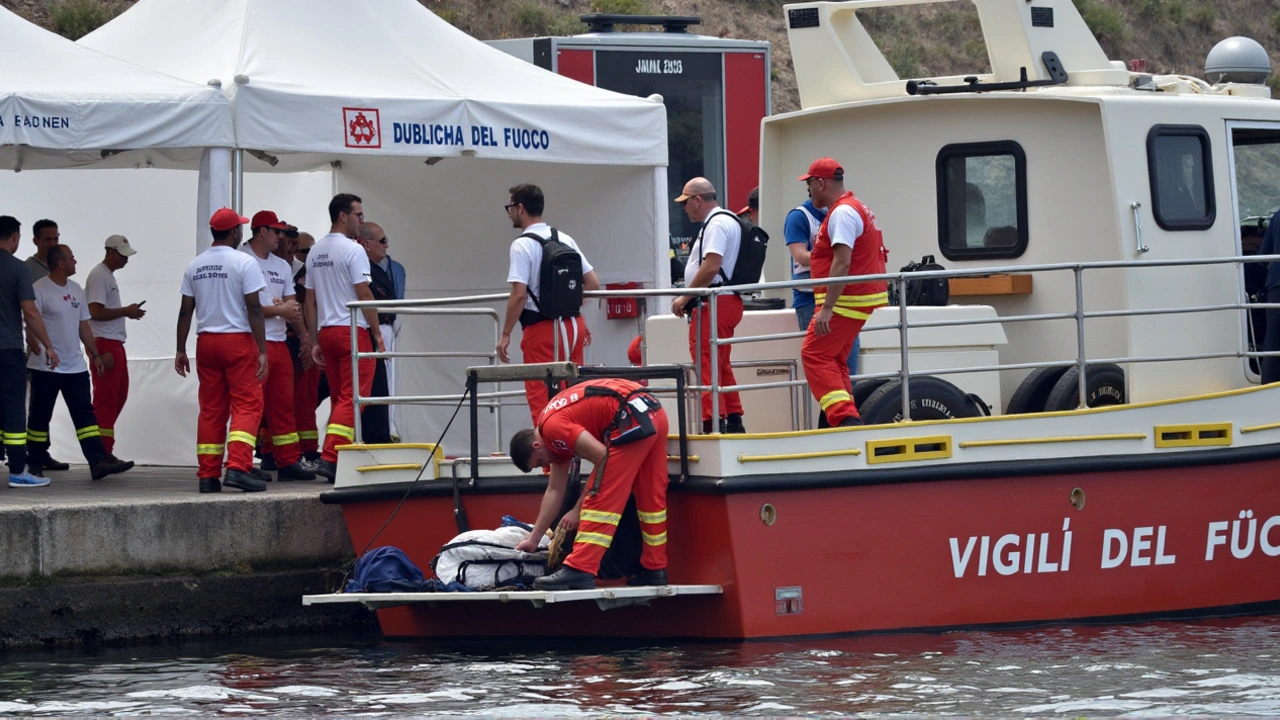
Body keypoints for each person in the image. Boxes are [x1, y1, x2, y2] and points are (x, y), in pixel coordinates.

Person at [510, 377, 669, 590]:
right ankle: (654, 569)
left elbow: (603, 458)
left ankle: (580, 568)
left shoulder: (553, 428)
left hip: (630, 420)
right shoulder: (553, 432)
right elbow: (555, 489)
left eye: (540, 462)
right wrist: (534, 538)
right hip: (652, 411)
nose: (545, 465)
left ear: (537, 445)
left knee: (601, 495)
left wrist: (577, 510)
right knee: (651, 499)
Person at [175, 208, 270, 493]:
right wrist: (263, 349)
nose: (242, 231)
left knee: (211, 409)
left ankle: (208, 474)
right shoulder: (244, 262)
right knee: (247, 404)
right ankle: (239, 467)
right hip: (237, 341)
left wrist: (180, 349)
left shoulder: (195, 265)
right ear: (234, 233)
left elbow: (185, 311)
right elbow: (254, 307)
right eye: (240, 228)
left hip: (206, 342)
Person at [24, 245, 134, 480]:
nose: (76, 262)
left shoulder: (76, 290)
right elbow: (30, 321)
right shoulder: (39, 289)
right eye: (72, 259)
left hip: (75, 366)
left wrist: (94, 355)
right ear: (61, 263)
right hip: (46, 366)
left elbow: (84, 326)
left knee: (85, 416)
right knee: (40, 416)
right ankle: (34, 461)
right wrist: (36, 347)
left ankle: (97, 461)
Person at [497, 183, 600, 425]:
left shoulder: (522, 245)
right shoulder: (564, 238)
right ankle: (573, 454)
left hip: (541, 329)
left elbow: (519, 295)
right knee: (572, 394)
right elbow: (593, 283)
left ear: (520, 208)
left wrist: (505, 334)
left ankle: (551, 461)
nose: (510, 213)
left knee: (542, 397)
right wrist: (572, 309)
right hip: (574, 325)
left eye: (510, 207)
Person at [799, 157, 889, 427]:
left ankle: (844, 419)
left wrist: (827, 307)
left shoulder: (841, 213)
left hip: (845, 301)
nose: (809, 191)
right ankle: (842, 414)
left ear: (821, 183)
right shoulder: (856, 207)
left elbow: (842, 260)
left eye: (810, 184)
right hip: (857, 299)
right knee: (835, 357)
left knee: (814, 354)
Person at [304, 193, 384, 480]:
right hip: (352, 329)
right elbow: (364, 293)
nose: (361, 221)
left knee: (340, 398)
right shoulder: (353, 250)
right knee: (355, 397)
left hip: (327, 331)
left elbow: (309, 302)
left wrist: (315, 340)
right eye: (358, 215)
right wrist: (376, 332)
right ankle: (331, 456)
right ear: (343, 216)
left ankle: (338, 454)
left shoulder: (315, 251)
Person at [244, 210, 316, 481]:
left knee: (283, 405)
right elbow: (248, 309)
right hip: (252, 342)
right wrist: (278, 310)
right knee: (251, 406)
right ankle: (243, 462)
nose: (282, 238)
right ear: (262, 231)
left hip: (279, 342)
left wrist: (305, 336)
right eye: (277, 232)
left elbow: (292, 305)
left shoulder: (282, 266)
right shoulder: (243, 259)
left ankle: (288, 461)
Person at [671, 177, 745, 434]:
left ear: (697, 200)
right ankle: (733, 420)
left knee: (705, 362)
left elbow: (711, 266)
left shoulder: (716, 224)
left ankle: (712, 423)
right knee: (720, 363)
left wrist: (685, 297)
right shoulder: (728, 220)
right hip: (725, 300)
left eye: (685, 202)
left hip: (713, 302)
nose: (684, 208)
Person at [785, 178, 860, 424]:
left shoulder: (839, 213)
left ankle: (840, 422)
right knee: (824, 364)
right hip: (810, 299)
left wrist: (840, 258)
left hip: (839, 299)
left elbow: (845, 256)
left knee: (844, 365)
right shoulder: (799, 216)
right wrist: (835, 258)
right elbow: (799, 255)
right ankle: (838, 421)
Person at [0, 216, 60, 487]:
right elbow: (30, 312)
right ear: (14, 237)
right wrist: (48, 344)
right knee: (13, 408)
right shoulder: (18, 269)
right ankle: (17, 471)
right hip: (8, 349)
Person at [85, 234, 144, 460]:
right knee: (106, 400)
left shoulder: (105, 275)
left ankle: (103, 449)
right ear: (110, 252)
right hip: (105, 342)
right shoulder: (100, 275)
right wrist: (125, 311)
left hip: (111, 342)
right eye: (122, 255)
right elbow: (95, 311)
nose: (125, 260)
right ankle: (102, 452)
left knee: (116, 397)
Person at [288, 231, 322, 462]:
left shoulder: (308, 271)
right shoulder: (291, 271)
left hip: (310, 339)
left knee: (307, 398)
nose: (310, 255)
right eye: (305, 251)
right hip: (291, 339)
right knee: (288, 400)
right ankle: (281, 450)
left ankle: (308, 447)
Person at [360, 222, 395, 444]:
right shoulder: (362, 265)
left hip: (381, 327)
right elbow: (366, 298)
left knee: (384, 384)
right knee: (372, 385)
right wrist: (377, 334)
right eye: (382, 240)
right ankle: (375, 436)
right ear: (366, 244)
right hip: (368, 328)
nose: (386, 245)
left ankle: (382, 432)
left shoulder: (380, 268)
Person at [1258, 209, 1280, 384]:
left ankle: (1268, 387)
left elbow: (1264, 256)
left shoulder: (1278, 215)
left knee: (1273, 341)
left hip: (1276, 285)